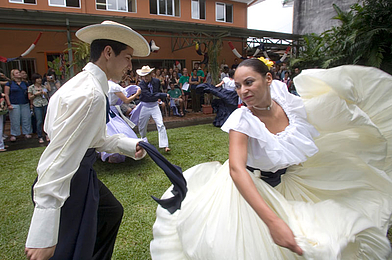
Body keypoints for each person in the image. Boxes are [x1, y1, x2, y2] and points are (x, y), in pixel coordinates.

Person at [150, 58, 392, 259]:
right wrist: (273, 222)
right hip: (250, 190)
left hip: (289, 183)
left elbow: (314, 119)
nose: (243, 91)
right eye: (238, 86)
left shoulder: (284, 100)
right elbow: (236, 169)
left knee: (329, 230)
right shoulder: (242, 120)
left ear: (268, 80)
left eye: (249, 82)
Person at [24, 20, 150, 260]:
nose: (130, 66)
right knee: (68, 250)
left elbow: (92, 138)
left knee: (110, 213)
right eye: (128, 57)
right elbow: (58, 157)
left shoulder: (84, 85)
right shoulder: (90, 94)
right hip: (68, 180)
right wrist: (43, 231)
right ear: (108, 52)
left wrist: (128, 145)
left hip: (80, 173)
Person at [137, 65, 171, 152]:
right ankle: (143, 138)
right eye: (143, 76)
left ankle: (165, 145)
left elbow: (157, 92)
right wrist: (163, 95)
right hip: (145, 106)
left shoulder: (156, 81)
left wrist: (160, 99)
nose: (145, 78)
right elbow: (149, 95)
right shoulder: (141, 84)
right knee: (142, 125)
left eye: (147, 75)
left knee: (160, 124)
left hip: (154, 105)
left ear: (151, 74)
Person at [4, 69, 32, 141]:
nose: (19, 74)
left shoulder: (25, 83)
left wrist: (30, 103)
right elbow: (6, 94)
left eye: (19, 72)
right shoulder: (9, 83)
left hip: (25, 103)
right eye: (17, 73)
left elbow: (29, 92)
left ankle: (27, 132)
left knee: (26, 118)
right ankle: (14, 134)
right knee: (15, 120)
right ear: (13, 75)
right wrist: (9, 104)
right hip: (14, 103)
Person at [28, 73, 49, 144]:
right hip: (37, 105)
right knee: (39, 121)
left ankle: (47, 134)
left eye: (40, 78)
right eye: (38, 78)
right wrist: (35, 94)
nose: (39, 80)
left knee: (46, 119)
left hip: (45, 103)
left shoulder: (43, 86)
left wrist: (45, 94)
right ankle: (40, 136)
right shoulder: (31, 87)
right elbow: (29, 97)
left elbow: (47, 95)